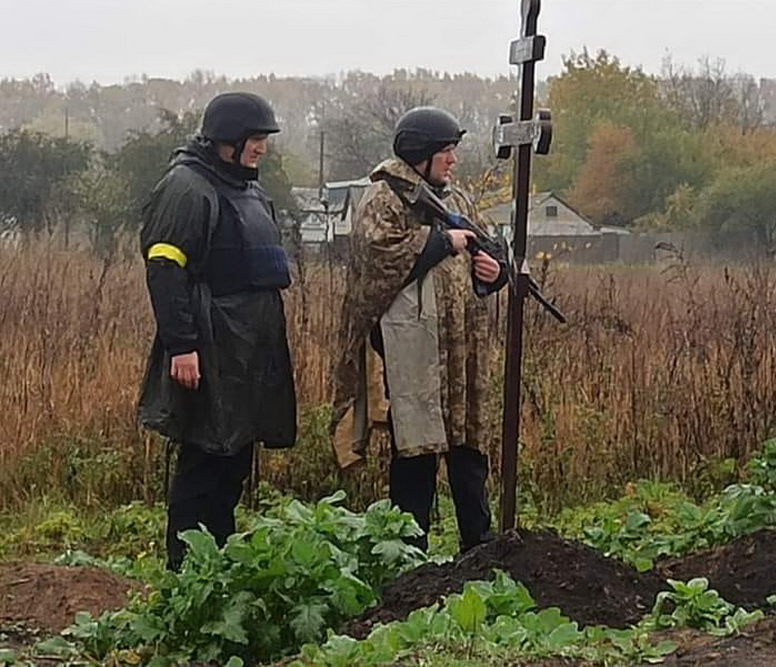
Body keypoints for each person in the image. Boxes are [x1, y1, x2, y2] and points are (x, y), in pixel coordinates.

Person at [331, 106, 506, 553]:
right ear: (420, 153)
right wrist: (443, 242)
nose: (453, 160)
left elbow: (484, 249)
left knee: (468, 451)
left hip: (462, 347)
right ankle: (410, 555)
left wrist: (492, 271)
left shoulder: (457, 200)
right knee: (416, 453)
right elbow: (379, 257)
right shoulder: (383, 198)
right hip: (414, 350)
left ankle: (479, 546)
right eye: (446, 151)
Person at [136, 92, 297, 570]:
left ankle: (218, 565)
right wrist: (182, 346)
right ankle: (185, 571)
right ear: (227, 139)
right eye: (255, 139)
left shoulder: (248, 191)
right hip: (209, 349)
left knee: (232, 464)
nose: (261, 149)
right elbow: (164, 272)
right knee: (204, 464)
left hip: (248, 354)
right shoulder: (187, 188)